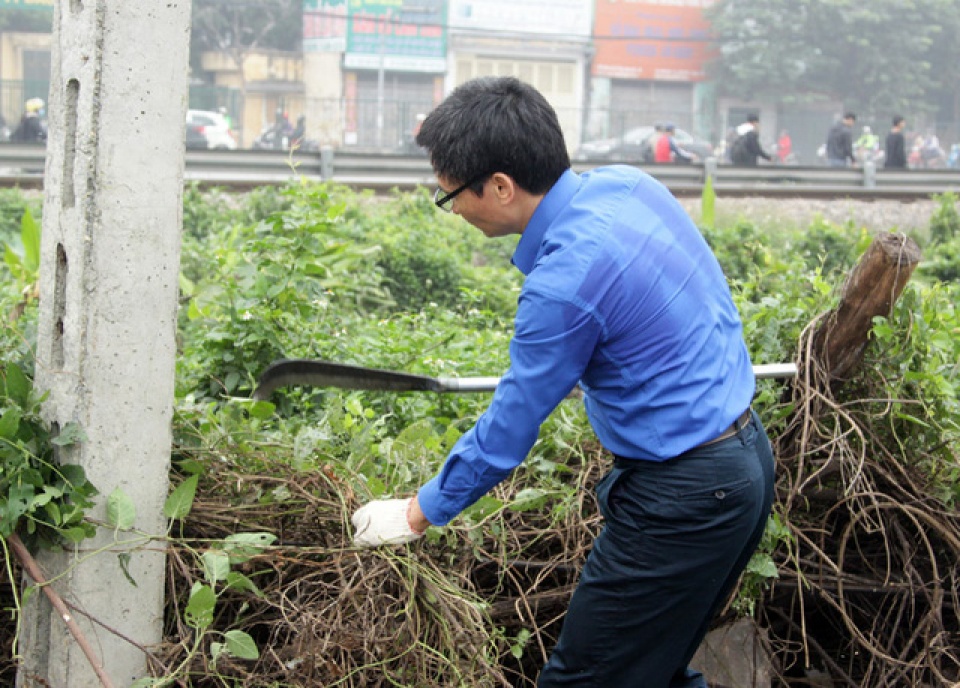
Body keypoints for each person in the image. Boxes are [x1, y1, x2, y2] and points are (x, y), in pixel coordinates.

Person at [350, 76, 775, 688]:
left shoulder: (562, 285)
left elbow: (507, 431)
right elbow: (695, 306)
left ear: (499, 187)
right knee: (655, 670)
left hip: (686, 496)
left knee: (583, 682)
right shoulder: (631, 185)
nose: (454, 211)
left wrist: (417, 514)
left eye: (449, 198)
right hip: (745, 459)